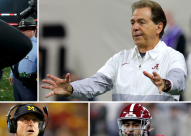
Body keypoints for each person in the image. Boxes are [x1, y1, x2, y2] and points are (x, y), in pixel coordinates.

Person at [42, 0, 186, 101]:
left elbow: (178, 80)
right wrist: (71, 88)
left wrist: (166, 84)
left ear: (159, 27)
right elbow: (96, 83)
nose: (135, 27)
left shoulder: (173, 57)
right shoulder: (120, 59)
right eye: (132, 23)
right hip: (125, 126)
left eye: (142, 22)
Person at [9, 17, 37, 101]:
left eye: (26, 29)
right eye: (21, 29)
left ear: (34, 30)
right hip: (17, 81)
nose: (22, 31)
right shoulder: (17, 44)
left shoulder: (38, 47)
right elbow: (15, 60)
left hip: (29, 85)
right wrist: (12, 74)